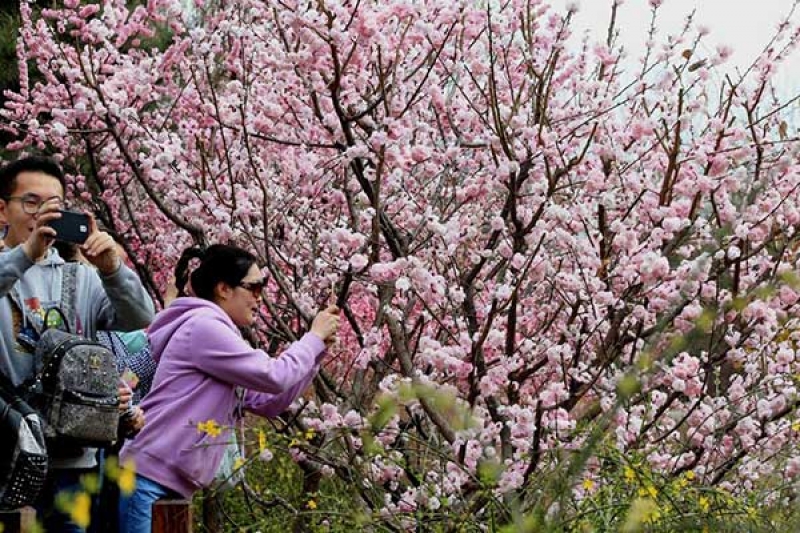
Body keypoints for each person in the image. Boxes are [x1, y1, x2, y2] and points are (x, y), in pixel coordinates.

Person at [118, 244, 340, 533]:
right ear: (224, 289)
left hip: (166, 478)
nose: (260, 298)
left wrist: (316, 351)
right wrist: (312, 337)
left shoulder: (218, 332)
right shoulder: (204, 327)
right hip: (150, 476)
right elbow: (273, 375)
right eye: (254, 288)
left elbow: (268, 401)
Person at [0, 155, 155, 532]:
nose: (43, 214)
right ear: (2, 209)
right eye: (32, 202)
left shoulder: (81, 278)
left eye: (53, 205)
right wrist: (26, 256)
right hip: (6, 449)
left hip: (72, 455)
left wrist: (112, 268)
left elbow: (140, 318)